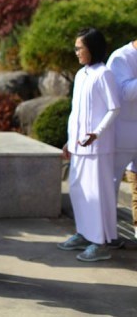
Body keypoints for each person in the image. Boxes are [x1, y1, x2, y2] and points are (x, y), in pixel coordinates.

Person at [59, 28, 121, 261]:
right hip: (79, 146)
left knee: (97, 195)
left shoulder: (104, 74)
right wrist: (69, 140)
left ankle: (101, 242)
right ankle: (84, 233)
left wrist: (96, 133)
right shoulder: (81, 74)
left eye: (79, 48)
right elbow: (76, 112)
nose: (75, 52)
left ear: (91, 48)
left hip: (98, 148)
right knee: (79, 191)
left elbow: (114, 107)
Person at [107, 37, 137, 241]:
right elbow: (126, 92)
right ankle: (103, 235)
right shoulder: (121, 57)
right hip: (121, 133)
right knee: (111, 184)